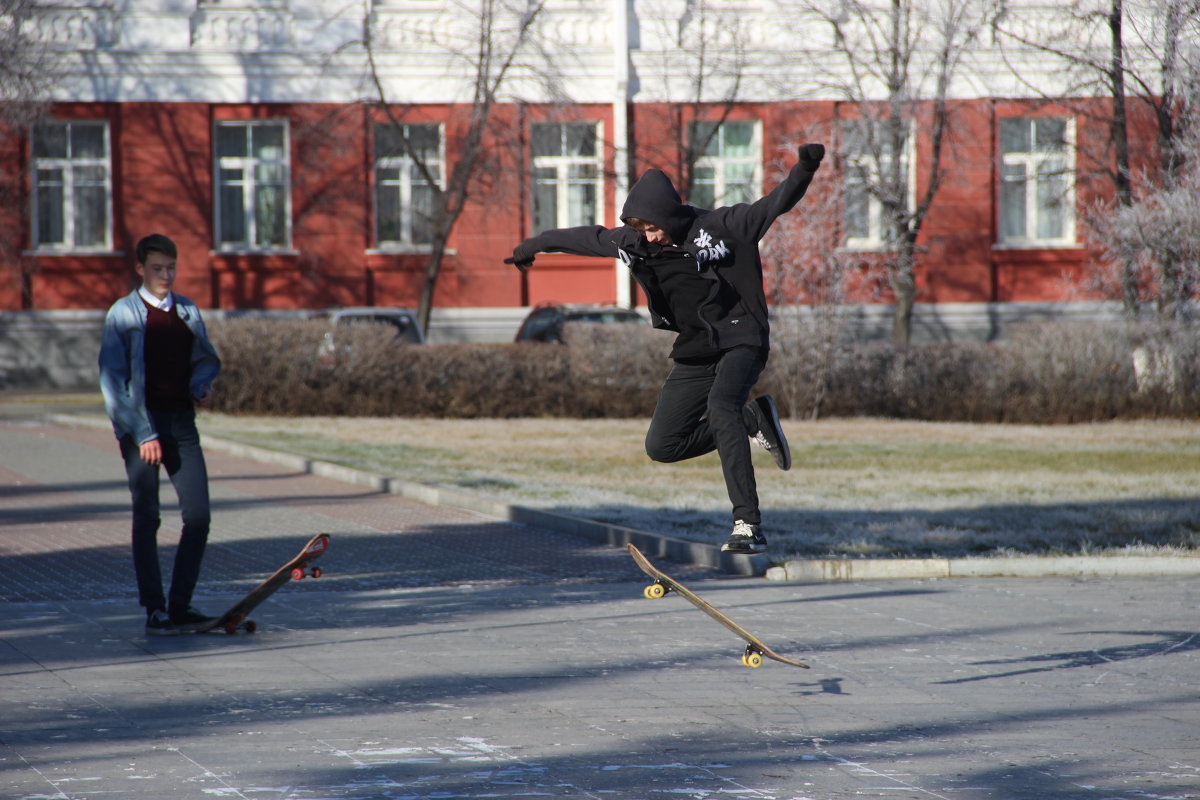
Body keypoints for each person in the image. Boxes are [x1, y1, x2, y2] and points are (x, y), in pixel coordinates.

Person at [507, 143, 825, 554]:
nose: (650, 237)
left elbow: (776, 203)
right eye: (642, 230)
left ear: (670, 217)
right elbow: (590, 237)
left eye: (654, 228)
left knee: (721, 406)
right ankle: (753, 418)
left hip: (742, 337)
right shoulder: (637, 242)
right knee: (663, 445)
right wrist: (534, 245)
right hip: (696, 347)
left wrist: (806, 168)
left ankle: (747, 525)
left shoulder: (724, 225)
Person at [99, 233, 222, 635]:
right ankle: (155, 609)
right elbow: (113, 383)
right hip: (141, 427)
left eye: (171, 268)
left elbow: (204, 358)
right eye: (157, 269)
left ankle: (180, 604)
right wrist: (143, 433)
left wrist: (201, 385)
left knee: (199, 516)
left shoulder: (186, 309)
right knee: (148, 516)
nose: (165, 275)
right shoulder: (123, 314)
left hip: (180, 423)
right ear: (140, 269)